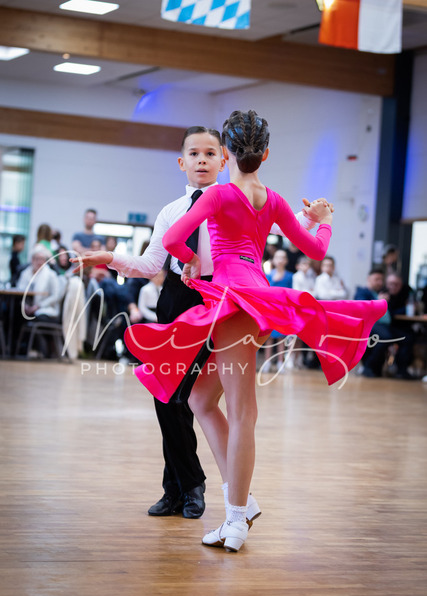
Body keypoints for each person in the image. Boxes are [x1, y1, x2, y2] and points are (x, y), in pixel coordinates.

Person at [123, 110, 386, 552]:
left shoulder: (217, 195)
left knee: (242, 411)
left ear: (226, 153)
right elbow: (315, 249)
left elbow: (171, 242)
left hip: (234, 303)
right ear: (265, 155)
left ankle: (235, 520)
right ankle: (242, 501)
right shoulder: (275, 200)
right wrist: (323, 218)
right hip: (255, 298)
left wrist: (190, 261)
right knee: (200, 399)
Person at [71, 124, 332, 521]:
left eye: (210, 153)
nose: (202, 161)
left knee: (193, 399)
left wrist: (311, 218)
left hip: (219, 300)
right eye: (194, 154)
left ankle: (203, 489)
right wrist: (111, 258)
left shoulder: (230, 199)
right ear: (182, 162)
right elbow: (151, 264)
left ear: (224, 159)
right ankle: (177, 488)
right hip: (176, 299)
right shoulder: (171, 211)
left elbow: (272, 223)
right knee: (167, 399)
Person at [354, 270, 414, 379]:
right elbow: (362, 309)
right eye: (377, 279)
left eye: (381, 280)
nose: (380, 282)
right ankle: (368, 366)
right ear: (369, 279)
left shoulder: (381, 293)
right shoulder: (363, 292)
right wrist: (378, 301)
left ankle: (402, 371)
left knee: (406, 337)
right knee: (385, 337)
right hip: (372, 325)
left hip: (385, 326)